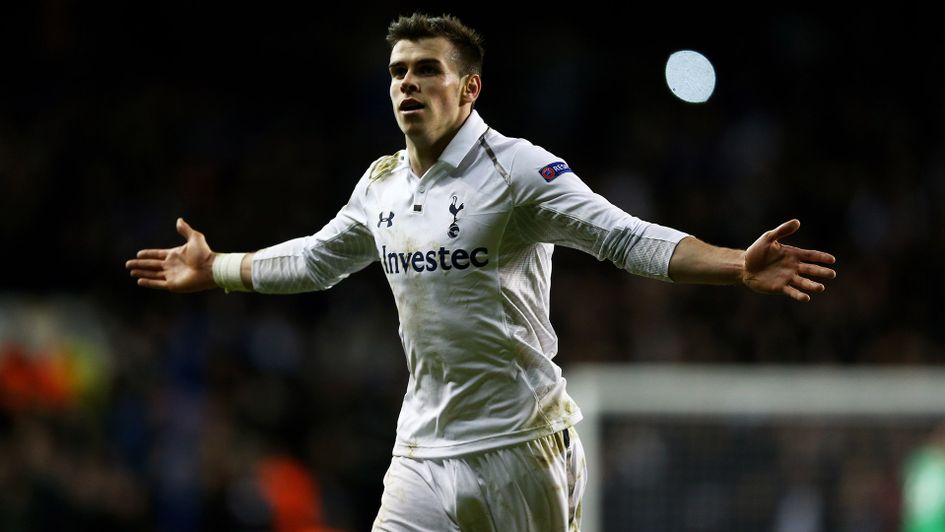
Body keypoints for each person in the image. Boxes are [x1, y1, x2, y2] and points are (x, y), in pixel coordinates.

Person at [126, 13, 837, 531]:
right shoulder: (381, 185)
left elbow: (626, 240)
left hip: (519, 448)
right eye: (398, 71)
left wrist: (734, 266)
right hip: (423, 448)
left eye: (426, 69)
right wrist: (217, 266)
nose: (407, 82)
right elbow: (316, 260)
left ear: (468, 90)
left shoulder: (518, 170)